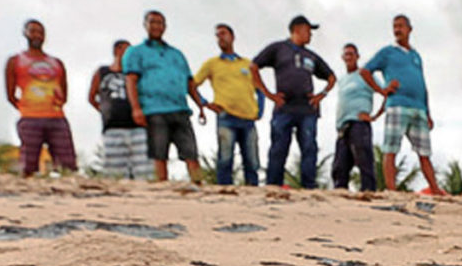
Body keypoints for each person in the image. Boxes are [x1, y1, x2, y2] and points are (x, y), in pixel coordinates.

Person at [360, 14, 444, 195]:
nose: (397, 30)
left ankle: (435, 189)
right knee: (391, 148)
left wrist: (428, 112)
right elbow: (365, 71)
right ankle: (392, 190)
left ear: (409, 29)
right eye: (394, 27)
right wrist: (382, 89)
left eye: (400, 26)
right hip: (397, 105)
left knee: (425, 152)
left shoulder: (416, 56)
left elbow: (423, 84)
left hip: (419, 108)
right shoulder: (387, 52)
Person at [252, 15, 336, 189]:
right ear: (297, 30)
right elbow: (253, 66)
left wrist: (322, 94)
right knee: (279, 148)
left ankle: (309, 187)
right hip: (284, 107)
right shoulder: (278, 48)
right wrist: (268, 94)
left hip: (307, 109)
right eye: (308, 31)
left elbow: (331, 77)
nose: (310, 35)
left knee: (309, 148)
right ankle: (273, 186)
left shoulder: (311, 56)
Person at [123, 10, 204, 183]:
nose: (156, 26)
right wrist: (136, 108)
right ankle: (162, 188)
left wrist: (200, 105)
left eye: (160, 23)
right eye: (152, 22)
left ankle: (198, 185)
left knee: (191, 152)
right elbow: (130, 80)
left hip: (180, 108)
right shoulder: (135, 52)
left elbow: (189, 82)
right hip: (154, 109)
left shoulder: (176, 54)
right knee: (159, 153)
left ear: (165, 27)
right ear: (145, 25)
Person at [5, 19, 76, 177]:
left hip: (57, 117)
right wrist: (25, 107)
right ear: (25, 33)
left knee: (67, 162)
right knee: (28, 164)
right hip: (30, 117)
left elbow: (64, 91)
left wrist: (57, 103)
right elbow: (10, 94)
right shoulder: (15, 61)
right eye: (33, 31)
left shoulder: (56, 62)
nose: (37, 35)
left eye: (40, 32)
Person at [194, 23, 262, 185]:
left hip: (248, 118)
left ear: (232, 37)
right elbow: (192, 85)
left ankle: (253, 190)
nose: (221, 38)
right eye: (217, 35)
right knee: (225, 158)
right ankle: (224, 190)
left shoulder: (247, 63)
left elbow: (260, 89)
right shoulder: (212, 64)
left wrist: (260, 110)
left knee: (252, 160)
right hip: (226, 116)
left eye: (224, 34)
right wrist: (204, 103)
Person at [88, 40, 152, 180]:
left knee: (144, 170)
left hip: (138, 127)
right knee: (114, 173)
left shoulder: (136, 73)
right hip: (113, 127)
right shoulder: (102, 72)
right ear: (117, 51)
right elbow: (92, 97)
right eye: (126, 50)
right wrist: (105, 111)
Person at [332, 43, 382, 191]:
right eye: (346, 54)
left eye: (351, 54)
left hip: (359, 124)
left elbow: (385, 93)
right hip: (342, 126)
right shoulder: (341, 80)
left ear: (357, 56)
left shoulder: (365, 75)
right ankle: (340, 195)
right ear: (342, 57)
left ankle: (369, 192)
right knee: (340, 165)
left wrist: (375, 116)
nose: (348, 57)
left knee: (364, 161)